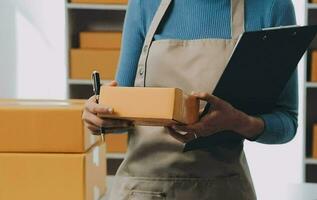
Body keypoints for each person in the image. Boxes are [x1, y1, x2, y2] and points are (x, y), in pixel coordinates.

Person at [82, 0, 298, 199]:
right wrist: (100, 116)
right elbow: (122, 111)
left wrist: (238, 122)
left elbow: (286, 121)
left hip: (223, 190)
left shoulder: (271, 7)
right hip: (144, 190)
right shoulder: (145, 4)